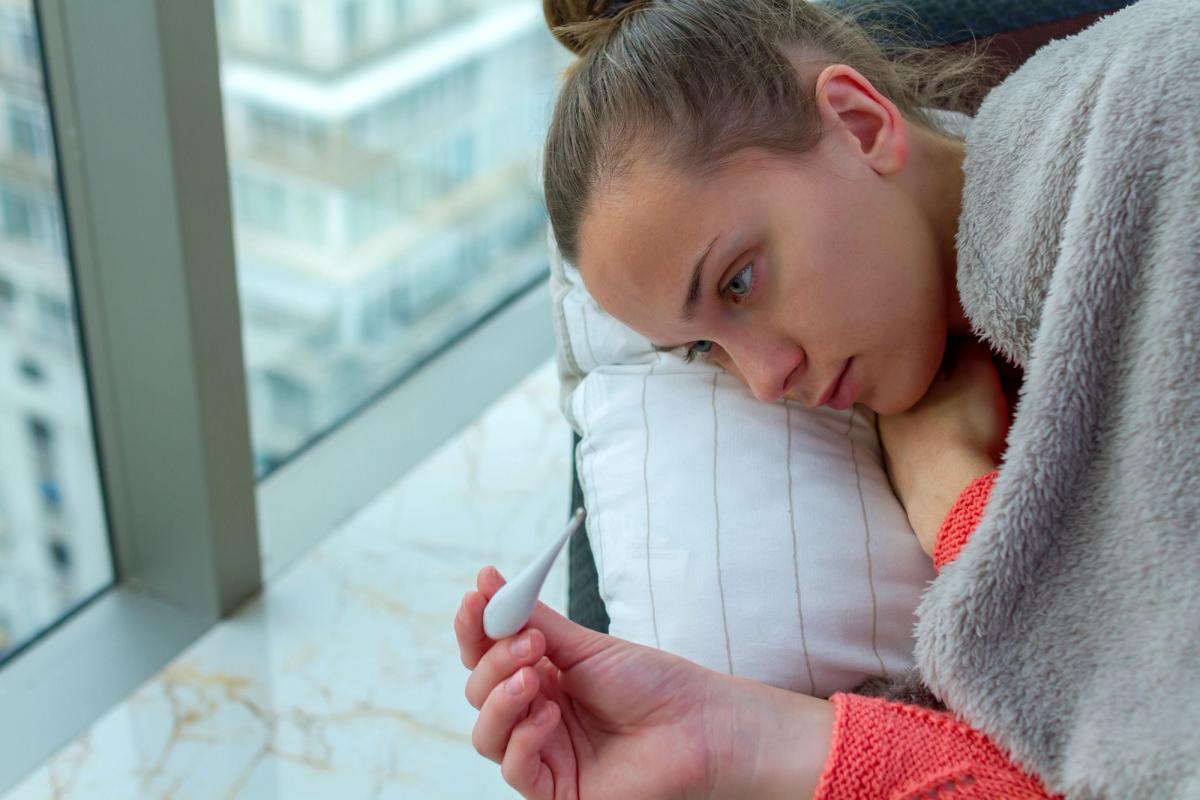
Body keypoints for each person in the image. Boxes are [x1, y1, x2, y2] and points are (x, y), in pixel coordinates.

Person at [454, 0, 1199, 796]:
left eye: (739, 283)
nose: (765, 381)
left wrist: (950, 492)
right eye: (705, 349)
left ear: (859, 122)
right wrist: (729, 741)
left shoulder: (1150, 116)